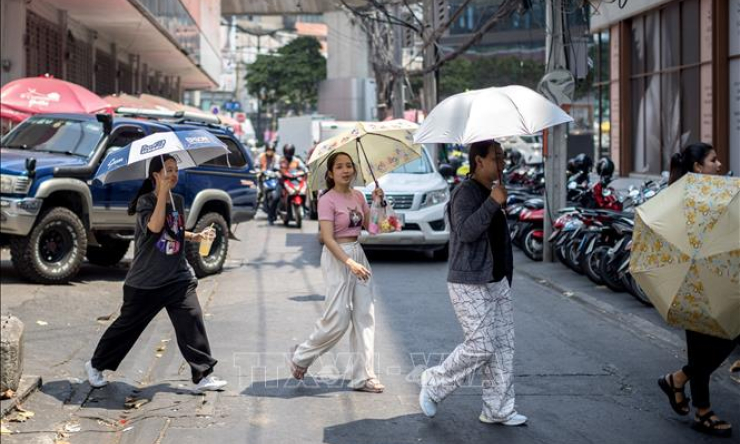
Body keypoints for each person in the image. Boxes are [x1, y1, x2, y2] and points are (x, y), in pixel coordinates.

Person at [85, 155, 227, 394]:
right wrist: (161, 194)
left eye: (175, 170)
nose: (173, 174)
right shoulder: (145, 202)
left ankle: (202, 375)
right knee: (127, 328)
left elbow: (174, 232)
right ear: (155, 176)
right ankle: (95, 364)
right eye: (168, 170)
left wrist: (196, 236)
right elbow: (155, 227)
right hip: (146, 281)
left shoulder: (178, 200)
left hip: (177, 278)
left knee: (192, 318)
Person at [418, 140, 527, 426]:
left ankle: (497, 409)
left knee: (503, 348)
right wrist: (493, 203)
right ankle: (434, 384)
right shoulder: (464, 192)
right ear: (479, 161)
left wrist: (497, 202)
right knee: (481, 346)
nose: (502, 163)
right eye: (496, 158)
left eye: (503, 158)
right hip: (469, 281)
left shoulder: (494, 190)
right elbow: (466, 232)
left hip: (497, 280)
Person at [288, 151, 385, 393]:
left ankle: (364, 375)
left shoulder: (359, 196)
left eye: (349, 166)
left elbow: (373, 228)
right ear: (330, 173)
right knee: (338, 319)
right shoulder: (327, 199)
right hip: (336, 258)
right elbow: (327, 238)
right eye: (339, 167)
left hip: (358, 254)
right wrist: (348, 263)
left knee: (365, 316)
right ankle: (301, 356)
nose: (346, 170)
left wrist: (377, 203)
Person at [658, 142, 736, 438]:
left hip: (716, 276)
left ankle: (678, 379)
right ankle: (702, 412)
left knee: (729, 334)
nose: (719, 164)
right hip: (692, 280)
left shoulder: (718, 194)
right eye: (713, 160)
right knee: (703, 344)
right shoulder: (684, 198)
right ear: (697, 168)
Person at [267, 144, 305, 225]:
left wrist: (305, 170)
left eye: (290, 153)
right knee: (276, 197)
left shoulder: (296, 160)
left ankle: (304, 208)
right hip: (282, 182)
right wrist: (277, 170)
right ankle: (271, 217)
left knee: (303, 193)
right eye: (287, 153)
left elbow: (304, 168)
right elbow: (275, 167)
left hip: (294, 182)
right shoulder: (280, 160)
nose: (288, 155)